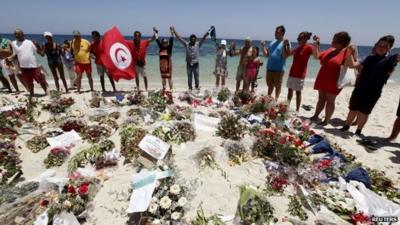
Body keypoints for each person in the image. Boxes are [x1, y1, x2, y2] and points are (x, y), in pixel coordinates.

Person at [340, 35, 400, 135]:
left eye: (384, 46)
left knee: (365, 112)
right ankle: (346, 126)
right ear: (376, 46)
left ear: (389, 48)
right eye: (379, 45)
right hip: (360, 88)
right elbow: (352, 65)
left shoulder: (390, 60)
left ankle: (358, 131)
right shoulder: (369, 58)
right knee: (353, 109)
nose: (381, 47)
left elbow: (397, 58)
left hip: (373, 92)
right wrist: (350, 52)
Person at [311, 32, 356, 126]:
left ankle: (326, 121)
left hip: (335, 80)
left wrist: (351, 51)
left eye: (334, 39)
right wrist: (316, 43)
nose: (332, 41)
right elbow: (317, 56)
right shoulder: (330, 50)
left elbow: (352, 65)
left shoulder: (346, 52)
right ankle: (315, 116)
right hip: (322, 77)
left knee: (330, 101)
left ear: (340, 42)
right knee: (321, 99)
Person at [7, 29, 48, 100]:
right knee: (29, 82)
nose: (17, 35)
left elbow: (38, 51)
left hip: (34, 65)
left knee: (41, 80)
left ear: (23, 34)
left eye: (18, 34)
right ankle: (32, 94)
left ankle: (46, 93)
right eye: (15, 34)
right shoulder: (13, 43)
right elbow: (15, 53)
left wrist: (42, 51)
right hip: (23, 66)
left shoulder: (30, 42)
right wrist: (10, 58)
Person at [171, 26, 210, 92]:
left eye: (194, 39)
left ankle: (197, 88)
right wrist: (174, 31)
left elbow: (203, 38)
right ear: (190, 39)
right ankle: (190, 89)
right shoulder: (186, 44)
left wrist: (207, 33)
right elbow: (179, 39)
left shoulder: (198, 44)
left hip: (196, 65)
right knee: (189, 78)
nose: (193, 41)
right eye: (192, 39)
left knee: (196, 78)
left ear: (195, 40)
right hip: (189, 64)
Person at [286, 32, 314, 113]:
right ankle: (287, 107)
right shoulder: (297, 48)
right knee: (289, 91)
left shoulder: (309, 47)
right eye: (297, 38)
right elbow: (288, 54)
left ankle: (297, 110)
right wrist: (287, 45)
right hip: (292, 73)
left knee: (298, 93)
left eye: (299, 38)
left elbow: (317, 55)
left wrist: (316, 43)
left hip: (300, 75)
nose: (298, 40)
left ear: (305, 39)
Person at [261, 25, 291, 100]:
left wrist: (284, 46)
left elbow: (285, 56)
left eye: (277, 32)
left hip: (279, 70)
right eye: (275, 32)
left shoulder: (286, 43)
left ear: (282, 33)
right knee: (269, 85)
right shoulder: (272, 42)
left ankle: (276, 99)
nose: (275, 33)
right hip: (269, 68)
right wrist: (263, 46)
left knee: (278, 86)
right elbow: (266, 55)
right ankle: (268, 98)